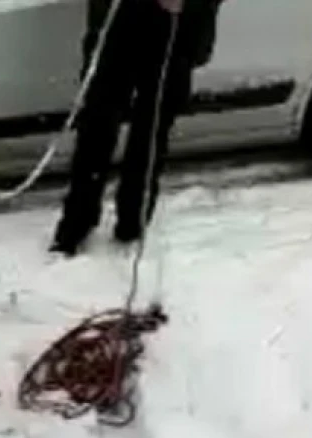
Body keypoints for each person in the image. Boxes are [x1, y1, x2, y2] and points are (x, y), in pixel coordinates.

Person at [50, 0, 225, 256]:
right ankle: (76, 224)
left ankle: (132, 223)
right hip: (116, 27)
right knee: (95, 130)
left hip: (175, 34)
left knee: (150, 136)